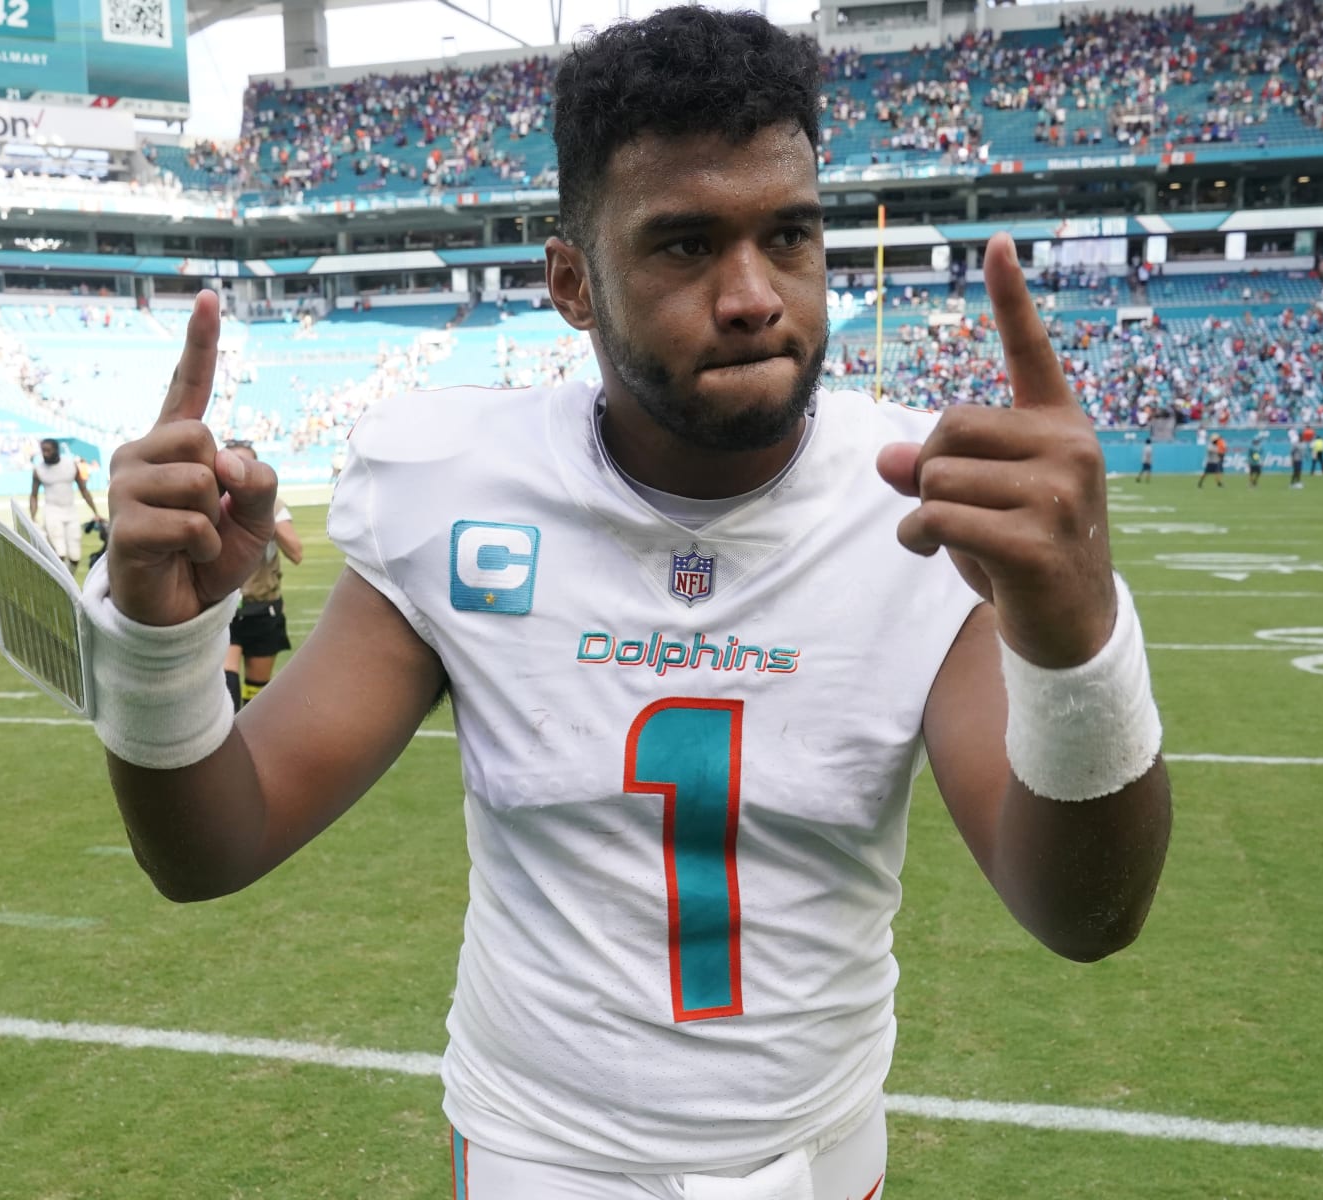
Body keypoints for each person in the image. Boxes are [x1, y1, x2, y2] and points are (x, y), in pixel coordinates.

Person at [86, 11, 1171, 1197]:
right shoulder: (456, 486)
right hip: (538, 1156)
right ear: (571, 282)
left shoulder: (912, 502)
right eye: (685, 246)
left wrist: (1080, 648)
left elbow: (1086, 916)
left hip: (815, 1161)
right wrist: (159, 644)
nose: (754, 294)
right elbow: (213, 846)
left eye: (790, 237)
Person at [221, 441, 303, 712]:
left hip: (263, 607)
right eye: (231, 463)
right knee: (226, 685)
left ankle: (247, 749)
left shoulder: (275, 505)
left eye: (246, 464)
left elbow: (296, 553)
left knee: (255, 699)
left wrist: (263, 510)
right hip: (225, 608)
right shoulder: (213, 505)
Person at [29, 438, 103, 576]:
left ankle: (68, 585)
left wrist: (95, 511)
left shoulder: (71, 466)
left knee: (75, 557)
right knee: (59, 553)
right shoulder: (39, 470)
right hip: (52, 512)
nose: (45, 454)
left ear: (56, 450)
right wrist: (33, 517)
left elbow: (84, 490)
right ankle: (58, 585)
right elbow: (33, 495)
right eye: (43, 450)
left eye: (48, 450)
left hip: (71, 512)